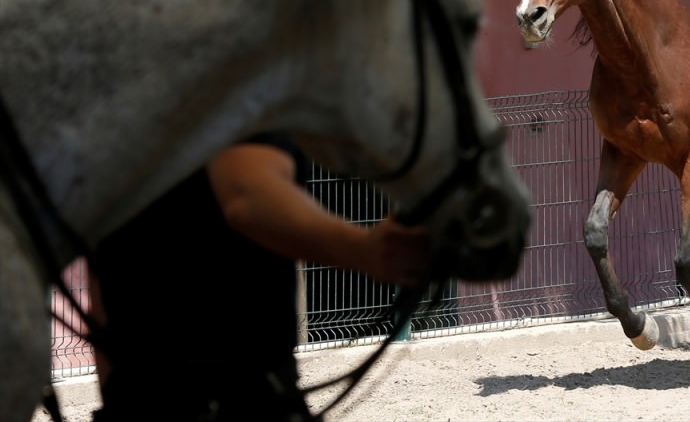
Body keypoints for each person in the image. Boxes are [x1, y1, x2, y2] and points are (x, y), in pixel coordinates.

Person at [88, 132, 432, 422]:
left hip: (135, 396)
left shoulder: (115, 114)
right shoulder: (238, 90)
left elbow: (99, 290)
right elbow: (246, 195)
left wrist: (116, 397)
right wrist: (366, 251)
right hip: (242, 396)